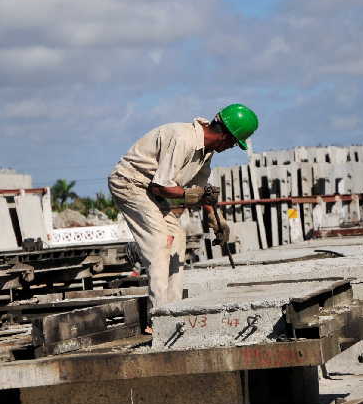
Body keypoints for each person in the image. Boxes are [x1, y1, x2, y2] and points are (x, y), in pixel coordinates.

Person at [108, 104, 259, 330]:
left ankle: (173, 309)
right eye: (233, 143)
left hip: (151, 190)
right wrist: (191, 195)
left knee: (177, 239)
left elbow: (199, 190)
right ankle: (158, 319)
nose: (230, 148)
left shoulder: (206, 152)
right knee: (160, 241)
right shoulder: (183, 139)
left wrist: (215, 219)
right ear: (224, 135)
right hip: (130, 184)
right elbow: (163, 186)